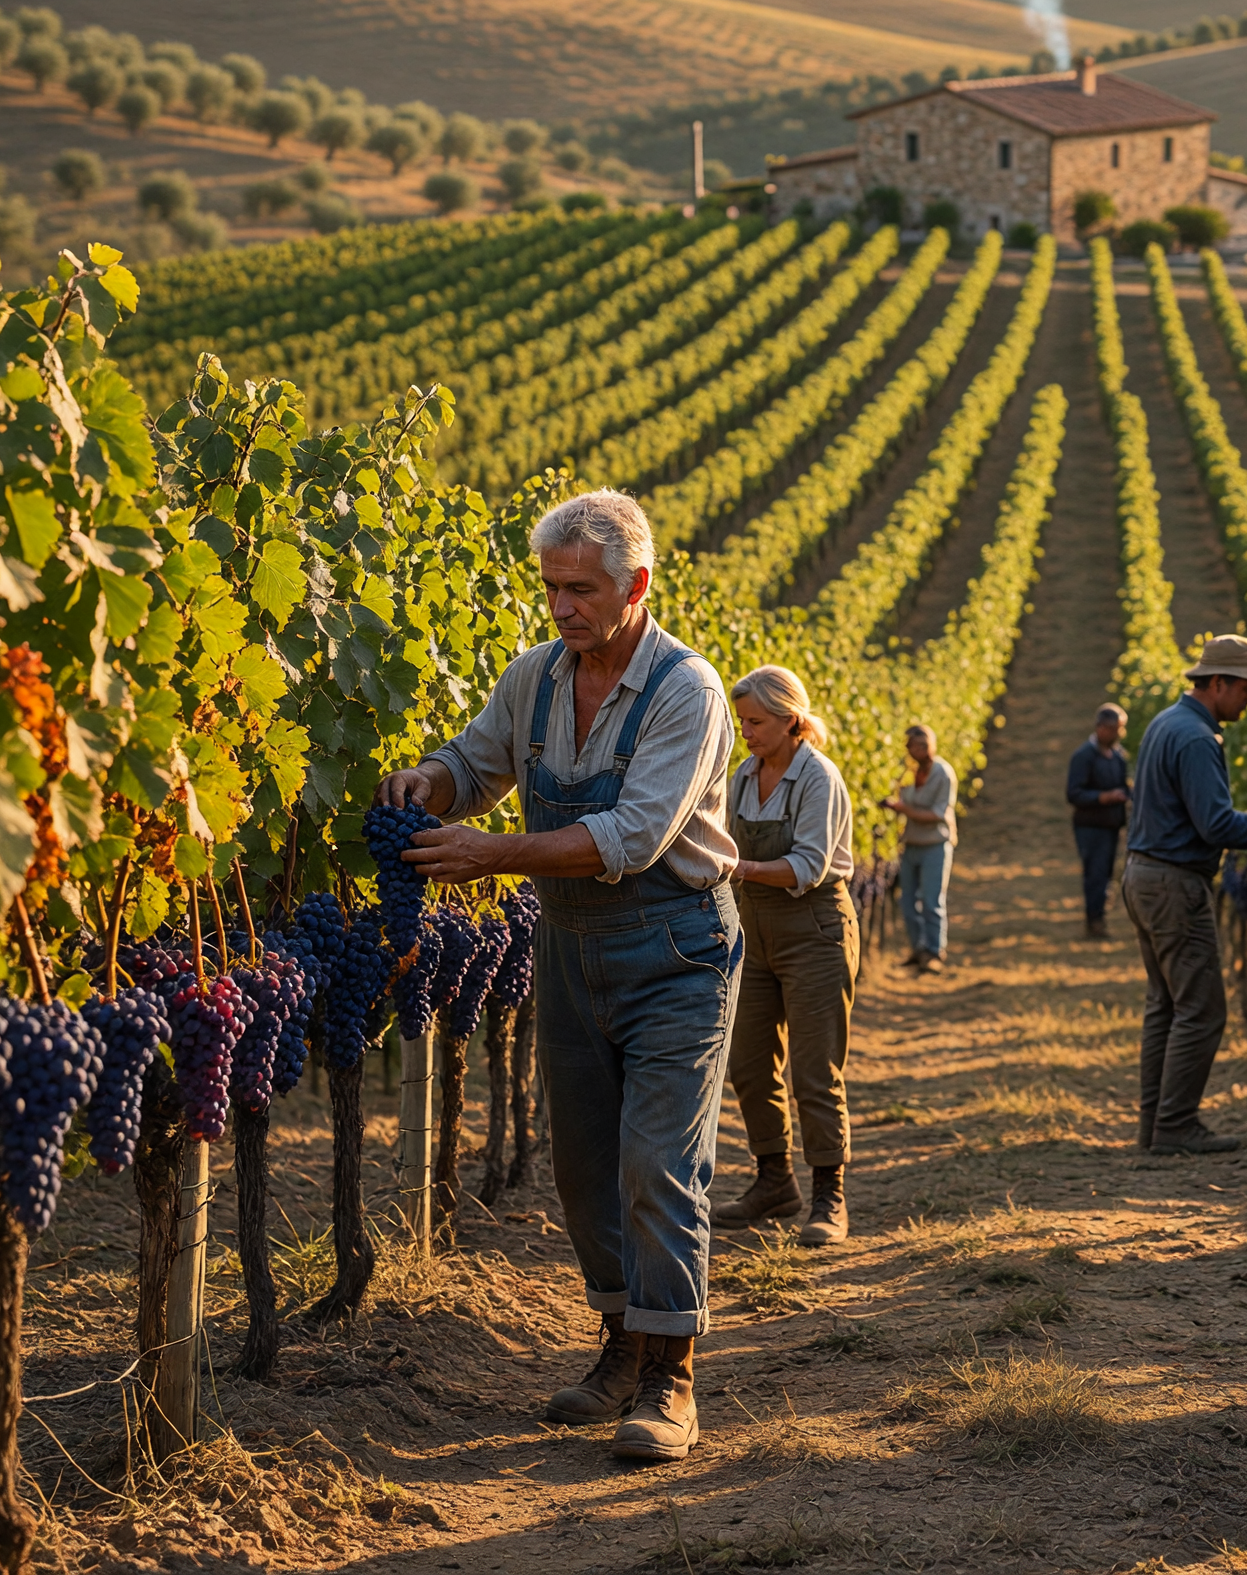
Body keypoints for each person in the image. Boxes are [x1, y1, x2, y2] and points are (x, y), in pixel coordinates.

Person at [377, 489, 738, 1466]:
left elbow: (633, 833)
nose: (562, 607)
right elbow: (478, 760)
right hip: (570, 947)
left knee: (657, 1159)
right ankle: (621, 1347)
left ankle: (673, 1376)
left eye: (581, 589)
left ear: (637, 584)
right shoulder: (535, 675)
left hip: (674, 946)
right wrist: (431, 781)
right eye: (551, 587)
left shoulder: (687, 689)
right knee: (583, 1165)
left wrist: (492, 853)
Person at [1122, 635, 1247, 1156]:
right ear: (1217, 683)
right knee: (1203, 1011)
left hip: (1145, 876)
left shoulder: (1168, 724)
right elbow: (1213, 826)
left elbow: (1190, 818)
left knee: (1166, 1006)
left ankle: (1156, 1125)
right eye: (1246, 687)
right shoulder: (1197, 739)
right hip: (1173, 885)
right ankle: (1176, 1127)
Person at [715, 666, 859, 1246]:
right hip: (755, 930)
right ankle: (774, 1181)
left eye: (756, 721)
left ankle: (830, 1194)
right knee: (748, 1062)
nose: (745, 731)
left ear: (790, 719)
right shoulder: (744, 777)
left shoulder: (817, 778)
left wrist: (740, 868)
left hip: (815, 928)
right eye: (742, 720)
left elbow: (808, 866)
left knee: (815, 1070)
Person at [886, 724, 956, 973]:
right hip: (912, 845)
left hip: (935, 845)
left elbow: (937, 815)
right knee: (907, 901)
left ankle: (935, 952)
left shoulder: (943, 774)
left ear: (926, 746)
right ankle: (918, 949)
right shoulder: (909, 773)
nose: (909, 751)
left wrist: (903, 809)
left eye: (912, 746)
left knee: (931, 901)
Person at [1066, 703, 1129, 941]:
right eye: (1114, 729)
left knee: (1105, 874)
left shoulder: (1118, 757)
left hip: (1111, 826)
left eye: (1121, 729)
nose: (1118, 734)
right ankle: (1094, 921)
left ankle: (1098, 918)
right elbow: (1073, 794)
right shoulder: (1083, 756)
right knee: (1095, 873)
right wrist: (1104, 797)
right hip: (1090, 826)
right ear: (1101, 728)